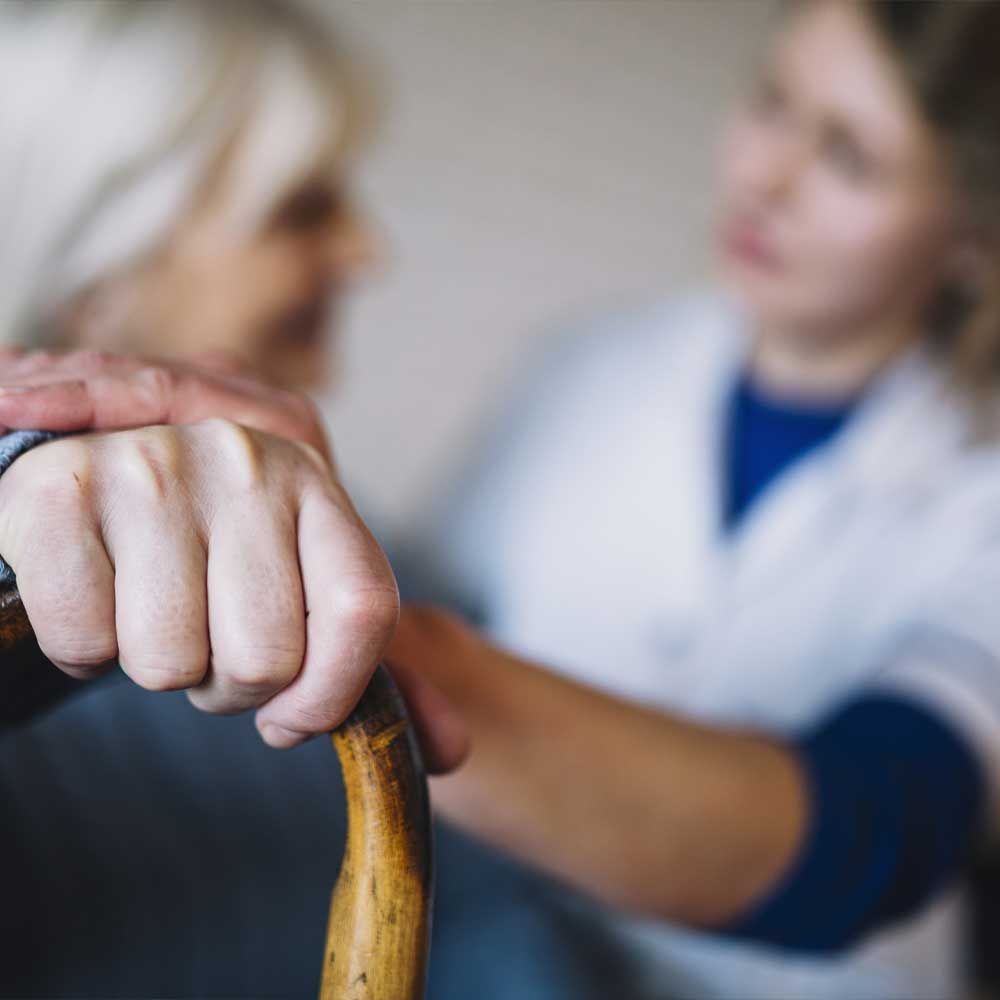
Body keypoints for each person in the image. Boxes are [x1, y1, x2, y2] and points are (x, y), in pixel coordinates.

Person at [4, 1, 1000, 998]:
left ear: (971, 230)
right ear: (103, 270)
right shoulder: (581, 374)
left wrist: (346, 620)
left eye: (851, 158)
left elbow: (877, 831)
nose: (761, 175)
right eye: (772, 101)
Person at [0, 2, 624, 998]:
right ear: (100, 271)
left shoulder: (342, 531)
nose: (367, 250)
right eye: (301, 206)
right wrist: (28, 468)